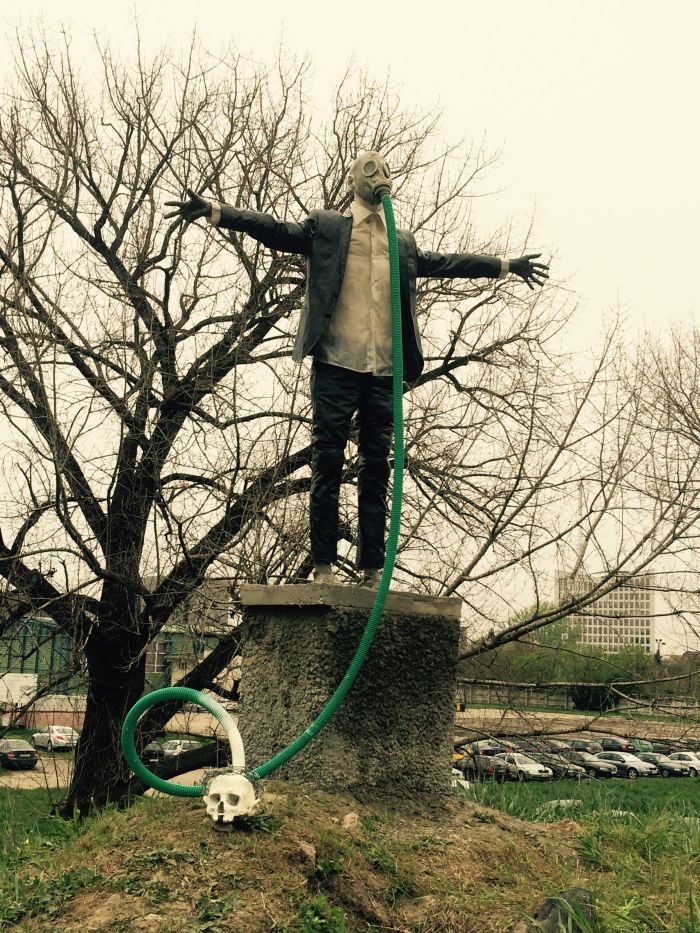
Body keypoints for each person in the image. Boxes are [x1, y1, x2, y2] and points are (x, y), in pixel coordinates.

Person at [165, 152, 549, 586]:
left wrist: (506, 266)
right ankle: (323, 567)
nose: (380, 175)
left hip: (383, 372)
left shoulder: (401, 243)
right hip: (336, 365)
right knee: (327, 462)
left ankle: (371, 570)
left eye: (385, 169)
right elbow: (274, 229)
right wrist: (215, 211)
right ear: (353, 180)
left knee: (377, 469)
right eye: (370, 169)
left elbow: (449, 263)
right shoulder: (328, 228)